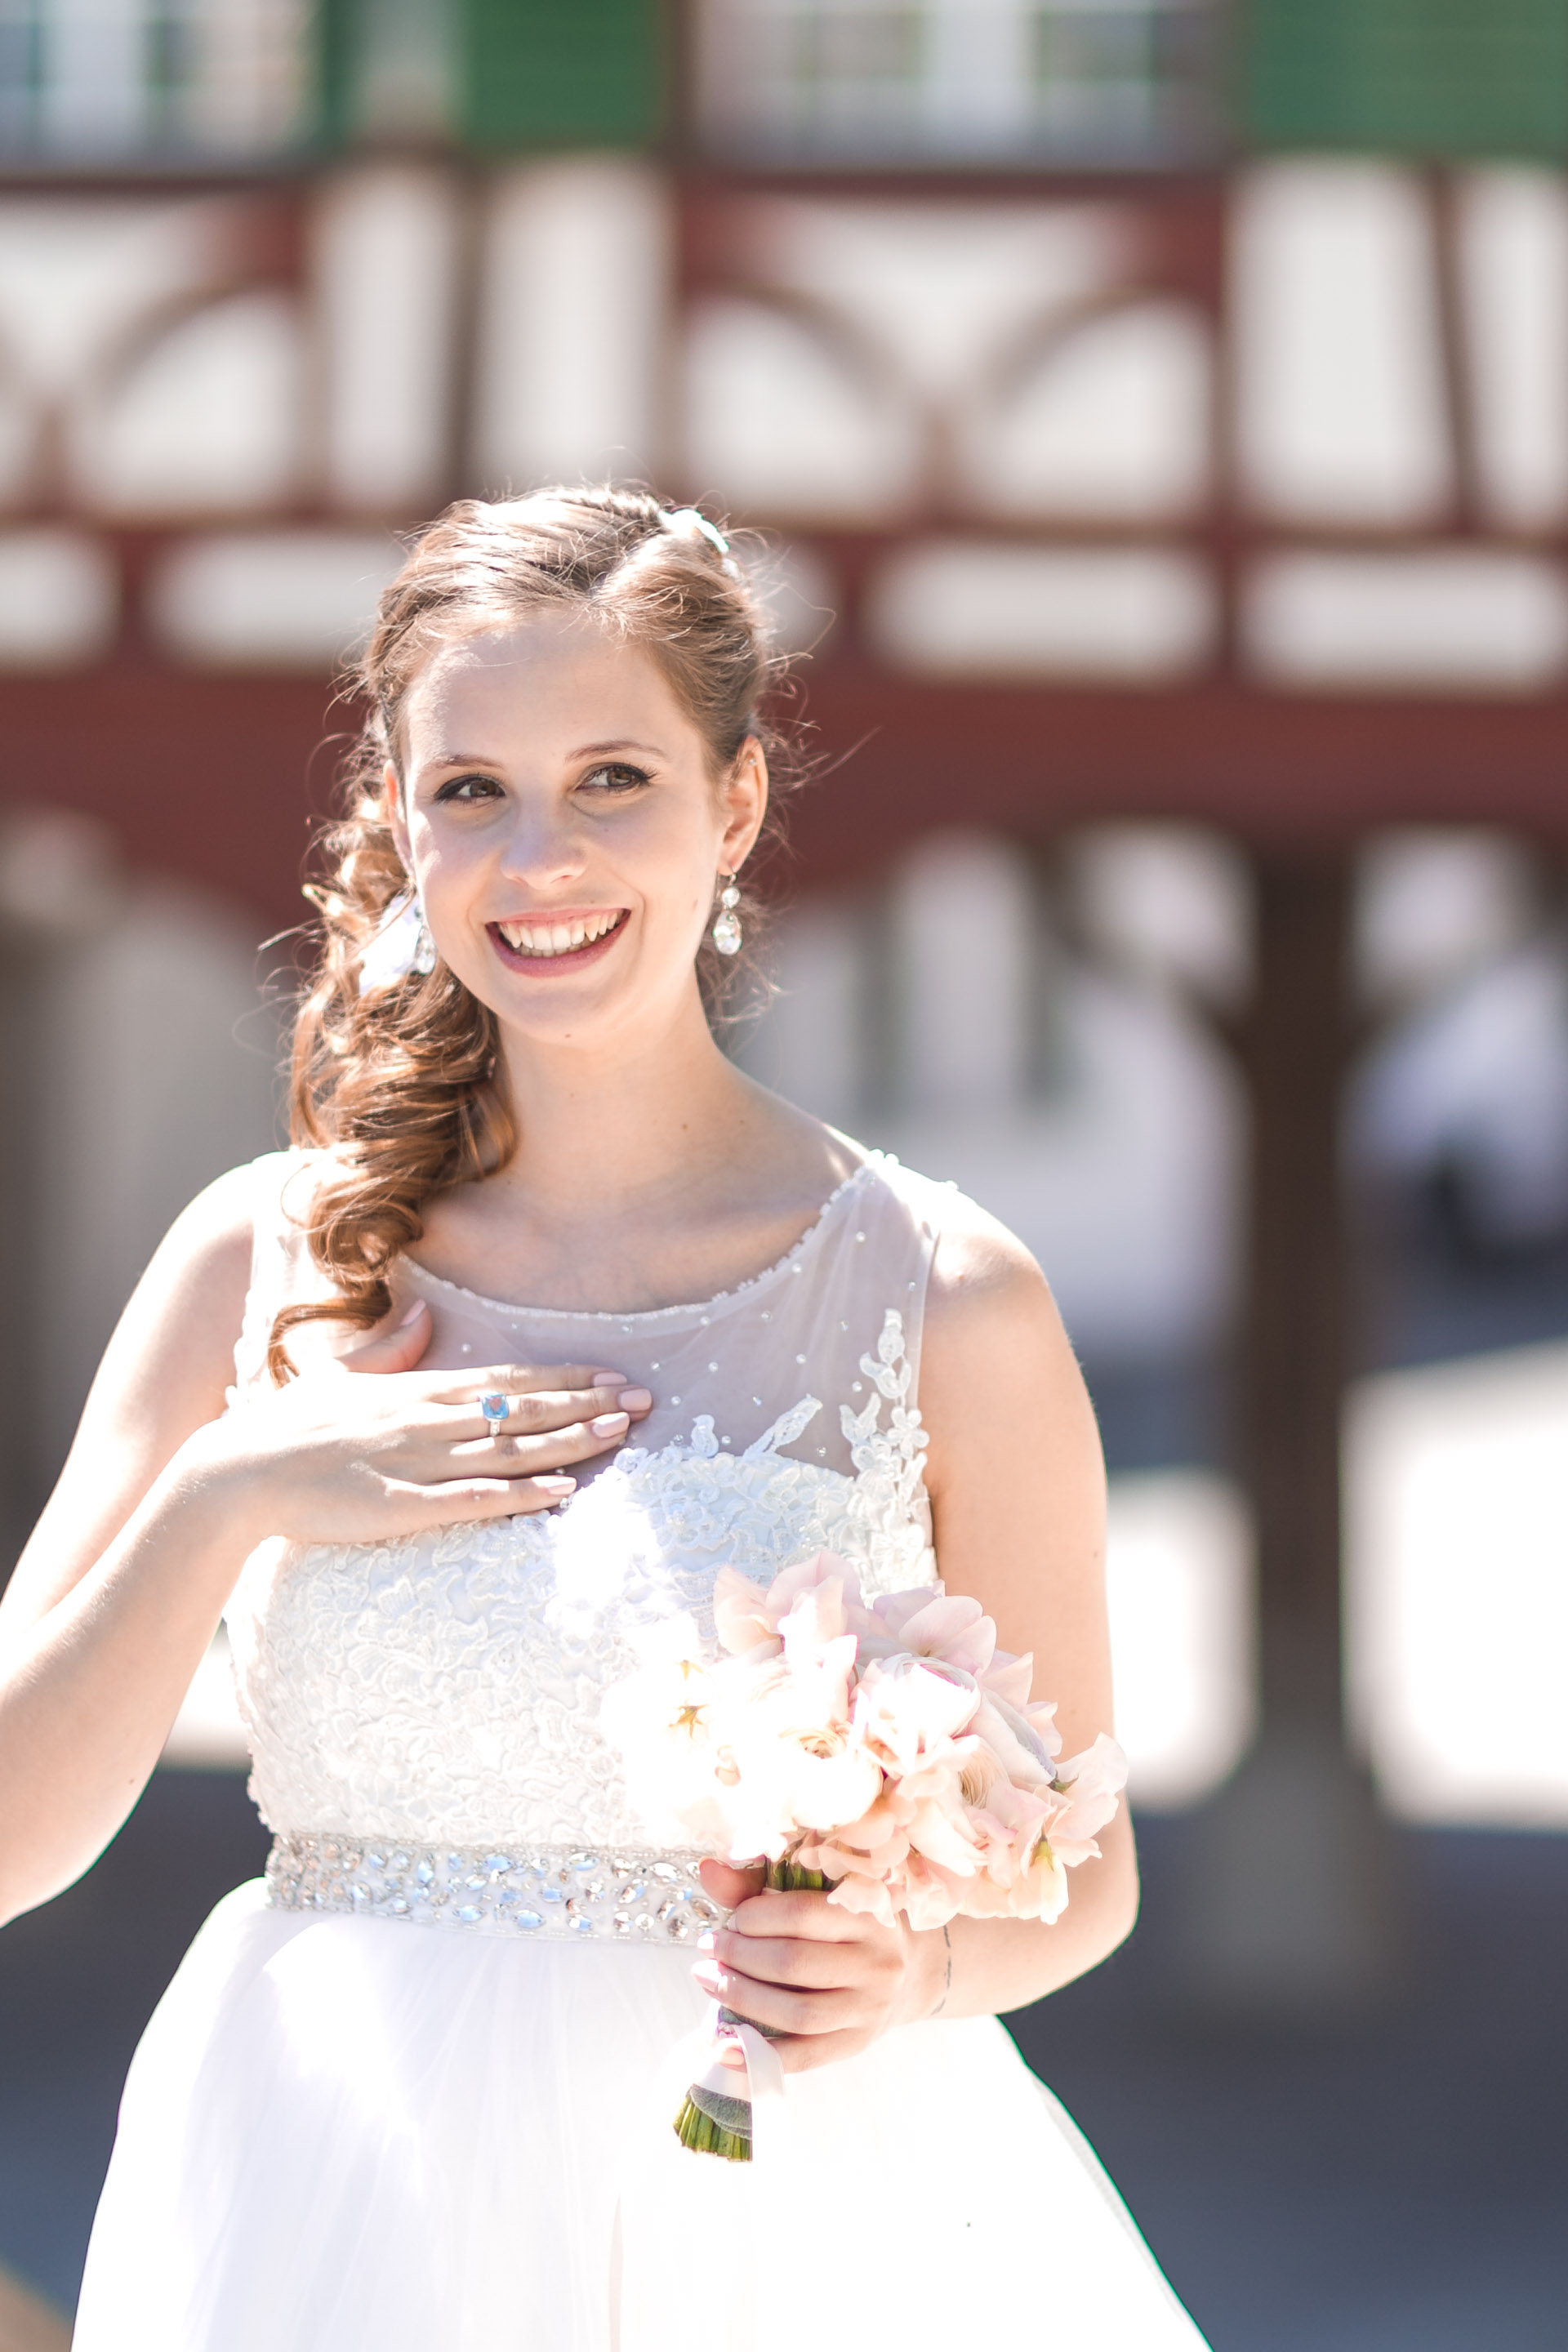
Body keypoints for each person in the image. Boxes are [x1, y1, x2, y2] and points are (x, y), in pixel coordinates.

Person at [0, 488, 1209, 2350]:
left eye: (614, 780)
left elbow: (1086, 1870)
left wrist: (908, 1969)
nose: (538, 857)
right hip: (335, 2197)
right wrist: (230, 1489)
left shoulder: (947, 1296)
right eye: (471, 789)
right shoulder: (257, 1257)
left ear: (736, 802)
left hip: (783, 2218)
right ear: (401, 816)